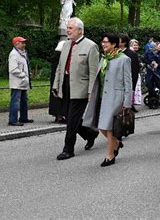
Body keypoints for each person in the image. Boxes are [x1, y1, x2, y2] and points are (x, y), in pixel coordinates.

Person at [82, 33, 132, 167]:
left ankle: (110, 156)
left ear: (114, 44)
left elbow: (128, 82)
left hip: (116, 97)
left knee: (109, 127)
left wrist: (127, 102)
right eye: (102, 42)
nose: (103, 44)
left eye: (106, 42)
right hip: (102, 97)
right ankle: (116, 143)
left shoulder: (124, 59)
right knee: (100, 125)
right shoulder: (104, 58)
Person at [53, 17, 100, 160]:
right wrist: (56, 84)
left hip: (81, 88)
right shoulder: (66, 45)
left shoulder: (91, 46)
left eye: (70, 28)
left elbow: (94, 72)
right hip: (65, 85)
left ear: (80, 30)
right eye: (67, 28)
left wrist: (91, 91)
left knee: (72, 119)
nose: (68, 30)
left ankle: (68, 149)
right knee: (69, 117)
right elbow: (60, 67)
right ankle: (90, 133)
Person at [8, 36, 33, 126]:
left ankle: (23, 118)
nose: (24, 44)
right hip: (17, 82)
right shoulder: (14, 54)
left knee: (24, 100)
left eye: (24, 42)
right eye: (22, 43)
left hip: (22, 82)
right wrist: (24, 75)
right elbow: (13, 69)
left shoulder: (22, 53)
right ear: (16, 44)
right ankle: (13, 120)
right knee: (15, 102)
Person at [119, 34, 140, 113]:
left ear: (124, 43)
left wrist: (133, 88)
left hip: (127, 83)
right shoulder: (114, 53)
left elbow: (135, 71)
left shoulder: (132, 54)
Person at [49, 40, 67, 123]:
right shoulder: (61, 57)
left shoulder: (55, 57)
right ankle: (60, 116)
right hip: (59, 80)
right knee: (59, 97)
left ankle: (57, 115)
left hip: (54, 80)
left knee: (54, 97)